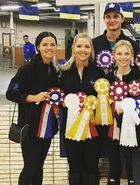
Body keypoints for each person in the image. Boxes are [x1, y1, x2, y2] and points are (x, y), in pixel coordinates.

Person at [6, 31, 59, 185]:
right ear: (38, 47)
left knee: (39, 167)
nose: (49, 48)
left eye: (52, 44)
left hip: (47, 128)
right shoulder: (27, 69)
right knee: (30, 167)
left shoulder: (53, 71)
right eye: (45, 45)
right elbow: (11, 93)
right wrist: (32, 97)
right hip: (30, 127)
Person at [58, 33, 105, 185]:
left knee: (91, 167)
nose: (83, 50)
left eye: (87, 46)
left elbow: (103, 100)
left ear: (91, 49)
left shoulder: (98, 73)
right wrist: (64, 103)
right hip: (71, 128)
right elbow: (56, 97)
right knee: (75, 167)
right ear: (73, 49)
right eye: (79, 46)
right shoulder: (63, 71)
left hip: (93, 129)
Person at [106, 40, 140, 185]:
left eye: (127, 53)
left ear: (132, 56)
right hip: (112, 127)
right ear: (114, 55)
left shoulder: (138, 76)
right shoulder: (107, 79)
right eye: (119, 53)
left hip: (132, 128)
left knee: (132, 163)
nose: (123, 57)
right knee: (114, 162)